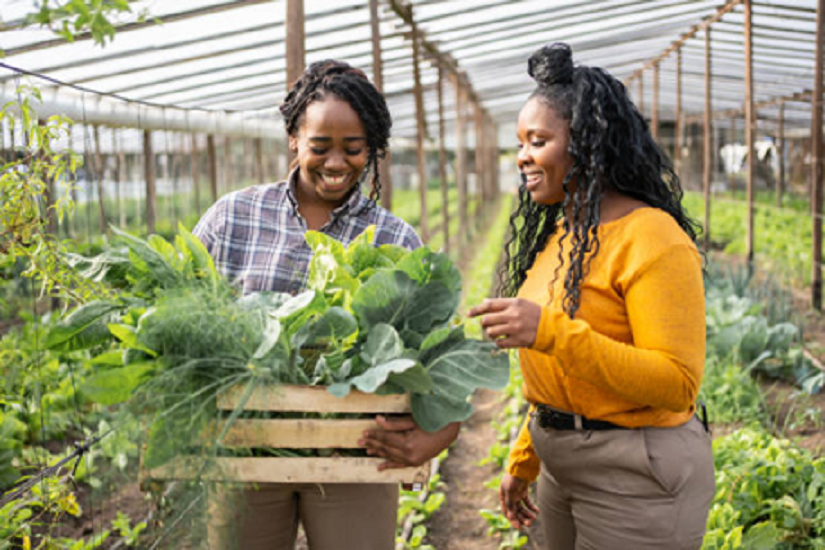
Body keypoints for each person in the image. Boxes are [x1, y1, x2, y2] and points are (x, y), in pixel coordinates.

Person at [193, 59, 460, 550]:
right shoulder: (232, 218)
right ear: (294, 139)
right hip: (243, 448)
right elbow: (179, 317)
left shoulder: (396, 239)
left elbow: (441, 355)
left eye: (354, 149)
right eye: (320, 147)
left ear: (372, 150)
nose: (336, 163)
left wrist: (441, 432)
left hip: (355, 453)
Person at [468, 43, 714, 550]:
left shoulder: (652, 238)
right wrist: (526, 456)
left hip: (636, 472)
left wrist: (548, 330)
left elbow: (676, 383)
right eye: (520, 142)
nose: (523, 157)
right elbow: (565, 380)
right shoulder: (565, 232)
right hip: (562, 464)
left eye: (538, 141)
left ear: (586, 143)